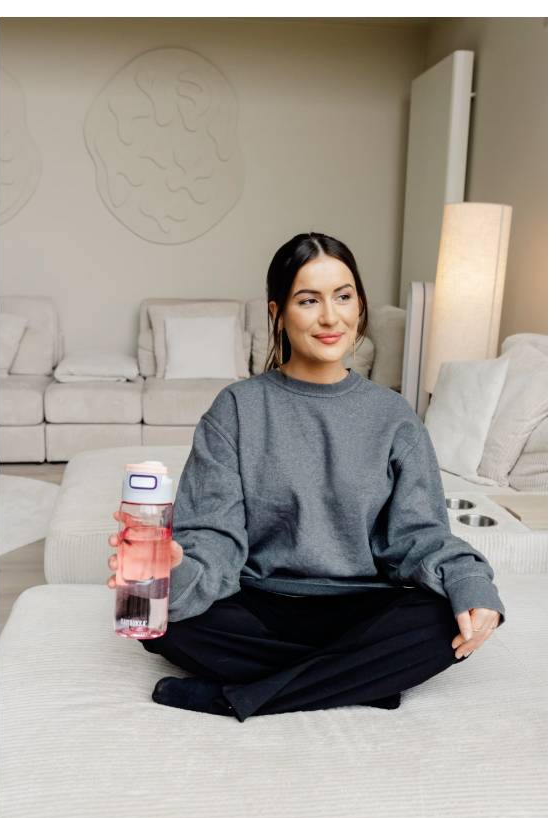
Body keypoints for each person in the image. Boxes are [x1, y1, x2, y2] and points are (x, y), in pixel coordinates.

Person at [107, 231, 505, 723]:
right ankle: (360, 679)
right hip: (258, 603)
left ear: (360, 304)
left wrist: (469, 579)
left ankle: (236, 696)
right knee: (159, 619)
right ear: (277, 312)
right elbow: (214, 540)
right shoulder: (237, 409)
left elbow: (419, 536)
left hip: (358, 608)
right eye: (308, 300)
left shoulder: (393, 416)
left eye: (343, 297)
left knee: (441, 620)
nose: (330, 317)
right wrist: (175, 567)